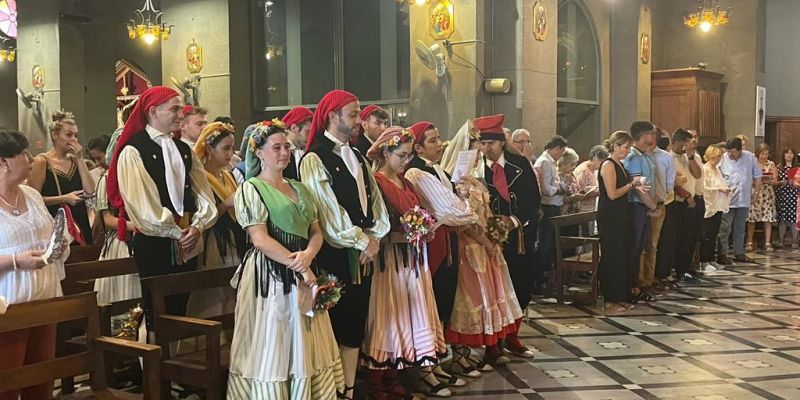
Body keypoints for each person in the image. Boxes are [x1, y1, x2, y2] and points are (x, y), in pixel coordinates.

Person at [227, 120, 344, 398]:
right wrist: (300, 267)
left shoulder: (300, 188)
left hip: (304, 267)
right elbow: (259, 239)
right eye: (276, 147)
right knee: (275, 337)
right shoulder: (251, 188)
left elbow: (316, 230)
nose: (283, 153)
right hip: (271, 274)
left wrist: (309, 255)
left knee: (306, 336)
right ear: (259, 152)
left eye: (286, 147)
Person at [300, 90, 390, 400]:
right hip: (337, 253)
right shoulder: (315, 158)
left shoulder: (358, 156)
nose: (359, 121)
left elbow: (375, 202)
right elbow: (327, 211)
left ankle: (349, 388)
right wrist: (362, 240)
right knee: (335, 322)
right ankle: (332, 390)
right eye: (352, 115)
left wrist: (376, 236)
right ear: (332, 117)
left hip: (364, 250)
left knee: (355, 321)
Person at [107, 86, 217, 336]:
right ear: (153, 111)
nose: (181, 114)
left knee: (180, 309)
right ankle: (154, 370)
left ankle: (176, 365)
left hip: (188, 240)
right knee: (156, 311)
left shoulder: (184, 150)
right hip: (156, 242)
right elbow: (142, 207)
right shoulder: (134, 151)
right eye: (175, 109)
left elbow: (203, 195)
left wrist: (198, 226)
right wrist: (176, 232)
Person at [361, 126, 447, 399]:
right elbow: (376, 226)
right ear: (385, 151)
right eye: (401, 155)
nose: (406, 161)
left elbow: (418, 213)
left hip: (410, 260)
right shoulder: (375, 181)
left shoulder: (406, 182)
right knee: (388, 317)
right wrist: (408, 233)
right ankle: (377, 382)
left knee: (406, 319)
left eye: (410, 156)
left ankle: (393, 376)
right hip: (390, 262)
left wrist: (425, 228)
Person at [441, 120, 524, 374]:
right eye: (477, 150)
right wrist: (486, 241)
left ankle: (483, 349)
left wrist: (495, 233)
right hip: (470, 246)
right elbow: (464, 221)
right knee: (468, 301)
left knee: (488, 297)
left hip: (485, 245)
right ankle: (460, 354)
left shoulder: (475, 181)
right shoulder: (459, 183)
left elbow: (484, 213)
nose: (481, 154)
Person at [0, 129, 70, 400]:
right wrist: (17, 260)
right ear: (3, 162)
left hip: (45, 299)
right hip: (8, 307)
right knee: (8, 382)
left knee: (41, 381)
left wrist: (59, 245)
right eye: (23, 154)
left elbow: (51, 232)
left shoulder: (32, 194)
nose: (31, 159)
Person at [404, 121, 474, 391]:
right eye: (432, 140)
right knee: (431, 302)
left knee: (444, 299)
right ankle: (425, 367)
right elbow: (452, 211)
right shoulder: (417, 172)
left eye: (439, 138)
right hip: (433, 243)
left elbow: (456, 207)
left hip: (448, 241)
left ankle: (437, 360)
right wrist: (465, 205)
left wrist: (463, 202)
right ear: (418, 147)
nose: (440, 143)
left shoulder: (439, 170)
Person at [478, 114, 540, 357]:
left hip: (518, 236)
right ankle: (492, 343)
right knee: (492, 290)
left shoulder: (519, 164)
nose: (486, 148)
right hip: (486, 238)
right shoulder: (476, 167)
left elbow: (533, 199)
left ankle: (513, 335)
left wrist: (513, 221)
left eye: (490, 143)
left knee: (520, 284)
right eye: (482, 144)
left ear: (501, 142)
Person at [186, 122, 246, 319]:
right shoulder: (200, 176)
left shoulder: (229, 175)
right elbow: (201, 214)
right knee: (213, 294)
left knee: (233, 292)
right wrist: (226, 204)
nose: (230, 154)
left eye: (231, 148)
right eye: (225, 149)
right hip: (214, 238)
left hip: (234, 237)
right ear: (210, 148)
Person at [597, 131, 648, 312]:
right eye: (625, 147)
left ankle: (622, 295)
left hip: (622, 213)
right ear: (615, 146)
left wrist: (636, 185)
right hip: (611, 215)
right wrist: (631, 185)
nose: (627, 151)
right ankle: (610, 298)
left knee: (623, 255)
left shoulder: (620, 164)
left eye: (628, 148)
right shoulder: (608, 165)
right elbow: (612, 194)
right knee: (613, 256)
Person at [29, 111, 96, 244]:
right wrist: (64, 198)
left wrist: (80, 159)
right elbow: (33, 199)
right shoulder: (42, 161)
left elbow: (90, 190)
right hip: (55, 222)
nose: (74, 140)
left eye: (76, 135)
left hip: (79, 222)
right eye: (68, 135)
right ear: (55, 135)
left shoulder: (76, 161)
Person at [622, 121, 658, 300]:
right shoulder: (633, 157)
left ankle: (636, 283)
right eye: (652, 133)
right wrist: (651, 204)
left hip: (643, 207)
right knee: (634, 248)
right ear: (645, 135)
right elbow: (637, 186)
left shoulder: (644, 155)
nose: (654, 137)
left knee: (640, 248)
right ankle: (631, 286)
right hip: (635, 207)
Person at [533, 135, 571, 291]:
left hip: (553, 207)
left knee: (549, 244)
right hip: (548, 208)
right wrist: (562, 188)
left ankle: (548, 278)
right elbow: (546, 190)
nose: (561, 156)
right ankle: (540, 279)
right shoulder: (545, 163)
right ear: (556, 148)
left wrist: (561, 185)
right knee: (545, 244)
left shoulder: (550, 162)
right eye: (561, 152)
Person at [718, 137, 762, 264]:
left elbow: (758, 176)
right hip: (727, 199)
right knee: (725, 228)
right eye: (728, 151)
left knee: (740, 227)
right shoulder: (723, 158)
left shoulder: (750, 157)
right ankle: (722, 254)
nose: (730, 154)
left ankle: (739, 253)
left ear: (740, 150)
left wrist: (757, 193)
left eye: (733, 152)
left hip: (743, 198)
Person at [671, 129, 702, 284]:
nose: (688, 146)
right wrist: (686, 196)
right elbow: (671, 183)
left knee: (690, 238)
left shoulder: (690, 157)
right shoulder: (669, 157)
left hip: (691, 200)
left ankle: (687, 268)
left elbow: (697, 175)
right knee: (680, 239)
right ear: (678, 143)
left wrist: (690, 157)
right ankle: (680, 270)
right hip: (678, 202)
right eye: (686, 144)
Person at [699, 144, 731, 273]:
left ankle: (711, 259)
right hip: (709, 206)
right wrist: (719, 189)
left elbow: (721, 183)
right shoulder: (704, 169)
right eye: (717, 157)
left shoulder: (717, 170)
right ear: (710, 156)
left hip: (718, 206)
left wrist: (726, 189)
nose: (718, 159)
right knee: (706, 235)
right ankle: (704, 261)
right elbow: (704, 188)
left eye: (720, 157)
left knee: (713, 235)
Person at [746, 143, 777, 251]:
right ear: (758, 153)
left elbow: (775, 180)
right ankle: (749, 241)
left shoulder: (771, 164)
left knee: (767, 218)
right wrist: (758, 180)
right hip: (756, 192)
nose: (764, 156)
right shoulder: (753, 163)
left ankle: (768, 242)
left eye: (767, 154)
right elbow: (748, 178)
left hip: (767, 193)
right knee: (752, 218)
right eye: (762, 154)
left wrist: (770, 180)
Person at [281, 106, 314, 180]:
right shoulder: (279, 153)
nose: (310, 137)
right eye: (308, 132)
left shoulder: (305, 153)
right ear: (294, 128)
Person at [775, 148, 799, 248]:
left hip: (794, 195)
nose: (789, 155)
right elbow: (775, 182)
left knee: (794, 218)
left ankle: (795, 241)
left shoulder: (797, 168)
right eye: (787, 153)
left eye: (791, 153)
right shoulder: (779, 167)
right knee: (782, 217)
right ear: (783, 155)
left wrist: (794, 183)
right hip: (782, 195)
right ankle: (781, 241)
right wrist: (782, 182)